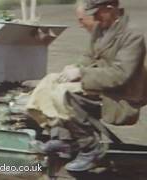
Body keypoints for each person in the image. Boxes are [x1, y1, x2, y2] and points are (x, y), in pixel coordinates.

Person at [27, 0, 147, 171]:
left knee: (65, 95)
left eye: (97, 12)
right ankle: (64, 139)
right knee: (50, 82)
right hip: (100, 85)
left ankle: (91, 147)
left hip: (120, 94)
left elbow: (120, 75)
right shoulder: (101, 29)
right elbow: (88, 57)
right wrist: (75, 67)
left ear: (111, 9)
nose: (94, 17)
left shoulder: (132, 36)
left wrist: (82, 74)